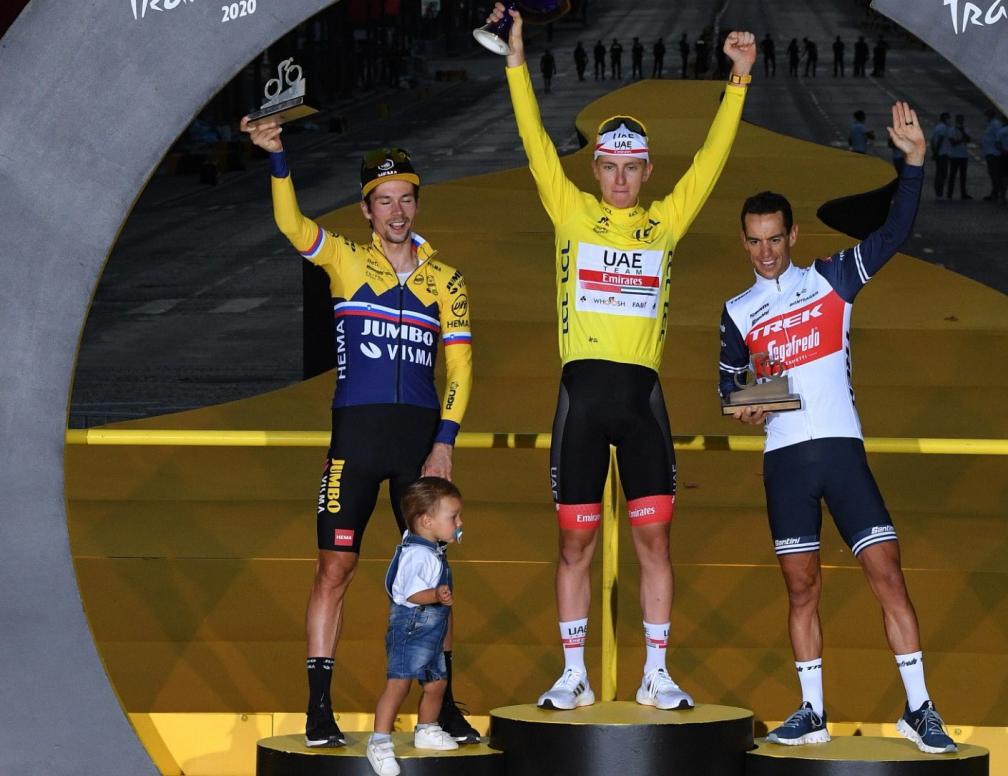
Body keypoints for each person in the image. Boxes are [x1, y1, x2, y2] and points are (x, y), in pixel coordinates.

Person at [485, 1, 755, 712]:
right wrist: (516, 61)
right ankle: (572, 673)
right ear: (597, 169)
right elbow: (535, 141)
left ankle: (656, 674)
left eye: (634, 170)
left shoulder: (666, 221)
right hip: (581, 397)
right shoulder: (571, 212)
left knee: (656, 545)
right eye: (612, 168)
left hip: (642, 403)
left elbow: (712, 162)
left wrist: (738, 84)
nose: (623, 181)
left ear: (646, 172)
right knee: (573, 547)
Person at [719, 102, 957, 756]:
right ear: (744, 242)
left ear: (792, 235)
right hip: (787, 462)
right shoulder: (737, 310)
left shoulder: (831, 279)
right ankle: (812, 714)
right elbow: (727, 387)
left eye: (775, 238)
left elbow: (894, 234)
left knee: (888, 574)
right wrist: (750, 401)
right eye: (754, 240)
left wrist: (913, 163)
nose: (766, 251)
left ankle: (920, 710)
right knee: (802, 588)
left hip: (843, 454)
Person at [237, 122, 475, 748]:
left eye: (407, 198)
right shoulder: (343, 258)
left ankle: (442, 704)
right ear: (367, 209)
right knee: (335, 568)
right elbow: (292, 227)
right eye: (384, 199)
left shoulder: (444, 277)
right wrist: (278, 157)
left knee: (433, 573)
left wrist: (444, 440)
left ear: (417, 203)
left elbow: (462, 366)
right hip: (356, 442)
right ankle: (319, 708)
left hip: (420, 445)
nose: (397, 211)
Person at [365, 478, 465, 776]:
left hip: (430, 631)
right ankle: (380, 741)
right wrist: (436, 595)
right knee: (399, 684)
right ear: (427, 521)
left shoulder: (431, 549)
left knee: (436, 683)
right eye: (453, 517)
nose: (460, 522)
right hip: (411, 628)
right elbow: (409, 593)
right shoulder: (416, 555)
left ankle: (427, 728)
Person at [946, 114, 971, 200]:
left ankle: (963, 193)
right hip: (954, 156)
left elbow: (968, 140)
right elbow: (952, 142)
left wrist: (962, 132)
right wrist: (961, 140)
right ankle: (949, 193)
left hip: (963, 155)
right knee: (952, 175)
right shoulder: (951, 130)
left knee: (963, 176)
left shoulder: (966, 129)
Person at [981, 108, 1002, 200]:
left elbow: (998, 137)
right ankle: (995, 192)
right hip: (990, 152)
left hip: (994, 153)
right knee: (992, 173)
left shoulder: (995, 124)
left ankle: (996, 193)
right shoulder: (990, 124)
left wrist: (999, 148)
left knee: (994, 173)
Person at [930, 112, 950, 199]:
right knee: (942, 174)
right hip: (943, 154)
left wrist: (934, 151)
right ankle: (939, 193)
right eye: (948, 118)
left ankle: (938, 192)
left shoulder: (937, 127)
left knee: (939, 173)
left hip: (940, 154)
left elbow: (932, 141)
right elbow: (940, 140)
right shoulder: (943, 128)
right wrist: (936, 152)